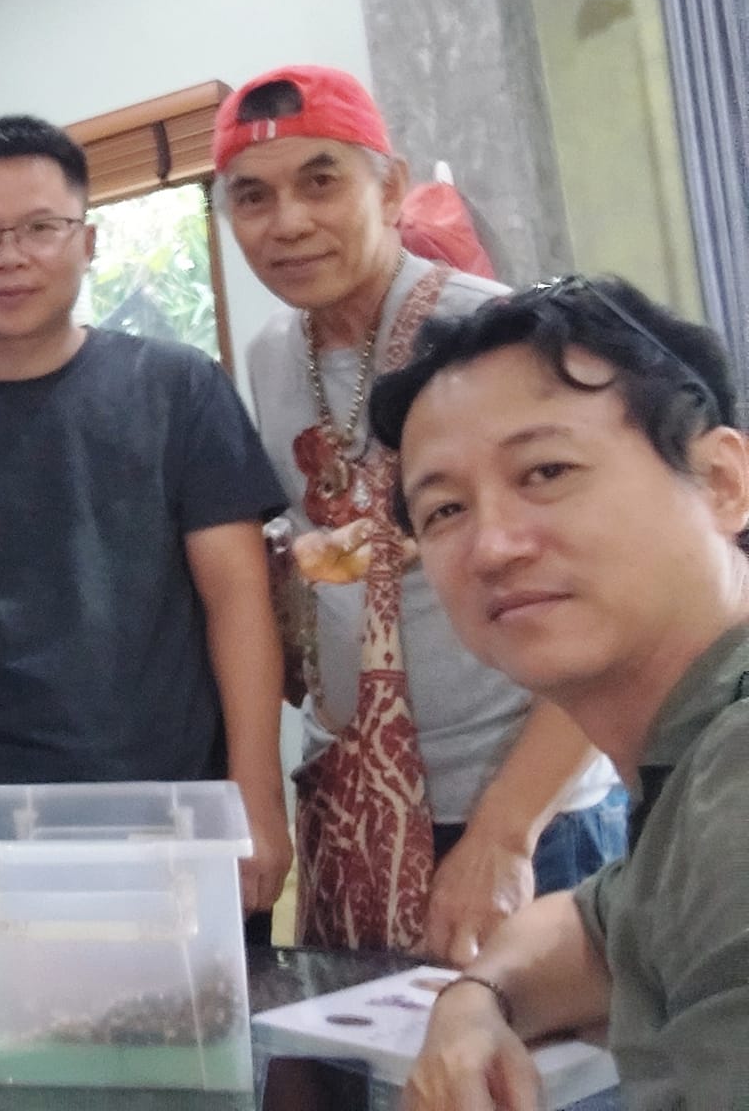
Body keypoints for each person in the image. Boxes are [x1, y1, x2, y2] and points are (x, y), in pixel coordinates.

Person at [0, 115, 293, 972]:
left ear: (87, 242)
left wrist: (255, 795)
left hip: (181, 826)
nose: (9, 257)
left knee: (199, 1039)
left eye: (40, 228)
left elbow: (239, 599)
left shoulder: (179, 390)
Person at [214, 65, 622, 962]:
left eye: (321, 181)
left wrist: (505, 833)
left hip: (530, 822)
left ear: (390, 187)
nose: (288, 222)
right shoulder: (272, 358)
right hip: (357, 807)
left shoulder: (503, 337)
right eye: (252, 197)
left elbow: (615, 606)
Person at [369, 278, 749, 1110]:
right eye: (444, 510)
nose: (494, 546)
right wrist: (474, 1001)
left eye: (546, 471)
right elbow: (599, 924)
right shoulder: (692, 763)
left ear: (721, 481)